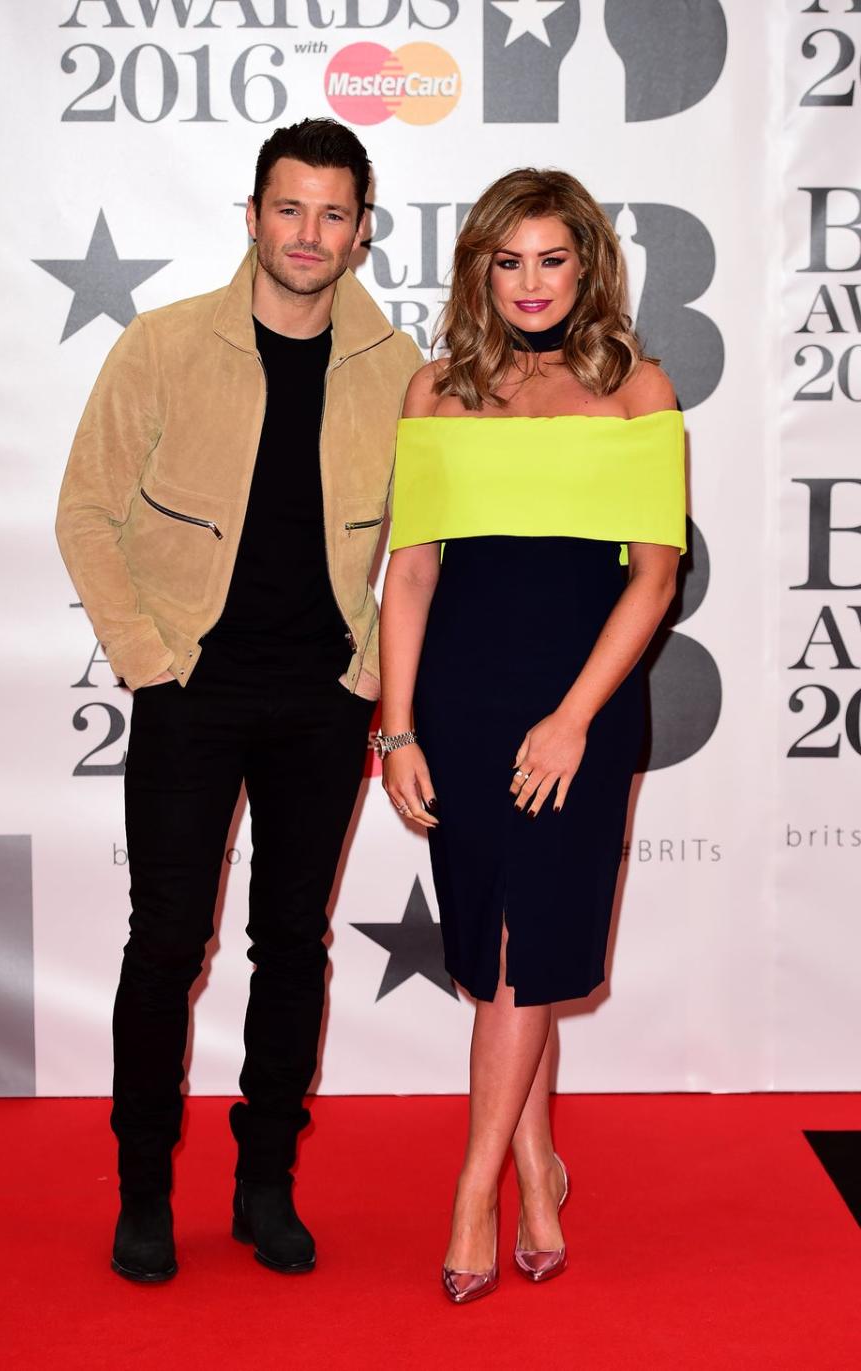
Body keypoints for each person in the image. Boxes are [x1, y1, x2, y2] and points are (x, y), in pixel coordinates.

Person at [56, 118, 421, 1283]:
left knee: (291, 946)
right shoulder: (162, 348)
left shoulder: (400, 369)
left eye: (332, 213)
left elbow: (423, 540)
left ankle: (266, 1180)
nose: (307, 234)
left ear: (361, 233)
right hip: (192, 690)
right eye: (288, 208)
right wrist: (149, 658)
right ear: (252, 216)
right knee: (165, 943)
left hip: (326, 700)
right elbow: (86, 514)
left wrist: (370, 674)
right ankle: (143, 1191)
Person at [377, 168, 685, 1304]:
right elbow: (411, 574)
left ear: (588, 265)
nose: (532, 284)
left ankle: (475, 1190)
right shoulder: (437, 392)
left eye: (553, 260)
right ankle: (542, 1172)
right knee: (509, 956)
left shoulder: (635, 389)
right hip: (460, 699)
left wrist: (570, 718)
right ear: (479, 272)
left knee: (520, 954)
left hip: (584, 705)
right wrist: (395, 731)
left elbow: (655, 579)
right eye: (509, 262)